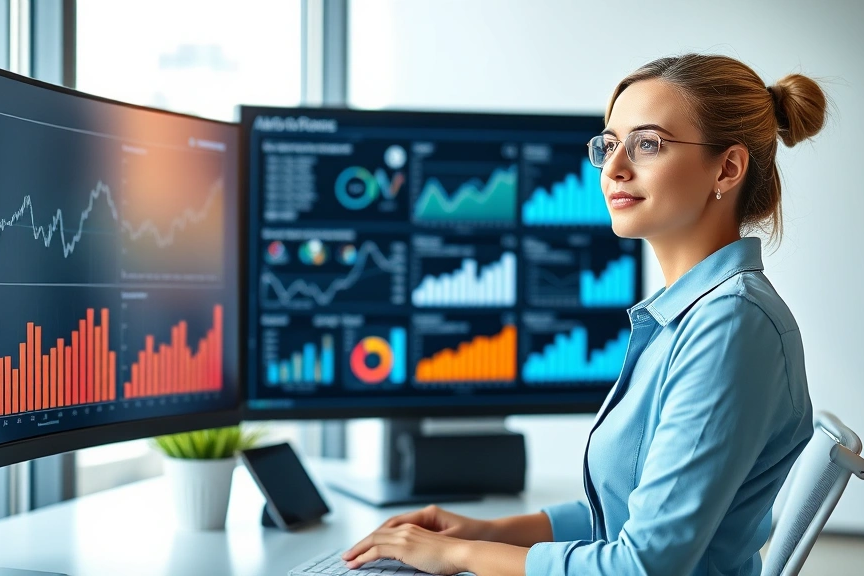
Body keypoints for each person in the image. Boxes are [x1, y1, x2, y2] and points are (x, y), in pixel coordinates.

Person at [342, 53, 828, 576]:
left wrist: (457, 556)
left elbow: (641, 566)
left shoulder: (730, 326)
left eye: (648, 144)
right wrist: (485, 532)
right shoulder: (691, 316)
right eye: (610, 144)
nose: (614, 168)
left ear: (727, 168)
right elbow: (626, 512)